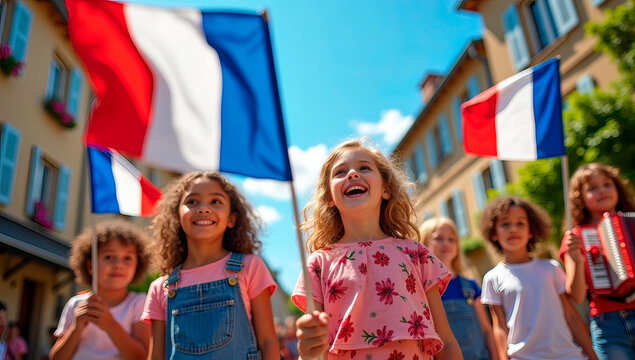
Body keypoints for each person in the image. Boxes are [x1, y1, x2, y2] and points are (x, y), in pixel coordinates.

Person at [292, 139, 461, 360]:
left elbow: (446, 341)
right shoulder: (318, 264)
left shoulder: (417, 254)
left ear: (386, 189)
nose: (352, 174)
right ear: (329, 198)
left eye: (364, 167)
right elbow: (315, 354)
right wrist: (307, 353)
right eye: (340, 172)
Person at [142, 171, 279, 360]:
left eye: (216, 201)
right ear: (177, 217)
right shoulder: (160, 288)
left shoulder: (250, 267)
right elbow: (156, 355)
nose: (203, 208)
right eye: (192, 201)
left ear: (231, 219)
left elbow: (268, 342)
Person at [480, 196, 597, 360]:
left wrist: (592, 355)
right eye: (505, 224)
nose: (513, 229)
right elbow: (499, 326)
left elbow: (571, 316)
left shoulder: (551, 267)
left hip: (568, 355)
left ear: (531, 231)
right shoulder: (492, 278)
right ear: (494, 233)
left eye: (520, 223)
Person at [559, 163, 635, 359]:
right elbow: (576, 296)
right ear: (579, 198)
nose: (602, 190)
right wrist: (576, 258)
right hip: (608, 323)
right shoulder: (575, 237)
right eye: (592, 188)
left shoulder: (632, 221)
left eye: (607, 184)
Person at [50, 220, 152, 360]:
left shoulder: (139, 303)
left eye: (127, 258)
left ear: (138, 264)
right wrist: (76, 329)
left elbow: (142, 356)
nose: (118, 265)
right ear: (91, 265)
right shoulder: (75, 304)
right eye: (109, 257)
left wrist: (110, 325)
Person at [420, 217, 498, 360]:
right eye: (439, 238)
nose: (446, 243)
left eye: (452, 239)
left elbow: (486, 330)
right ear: (424, 243)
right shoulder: (420, 288)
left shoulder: (471, 286)